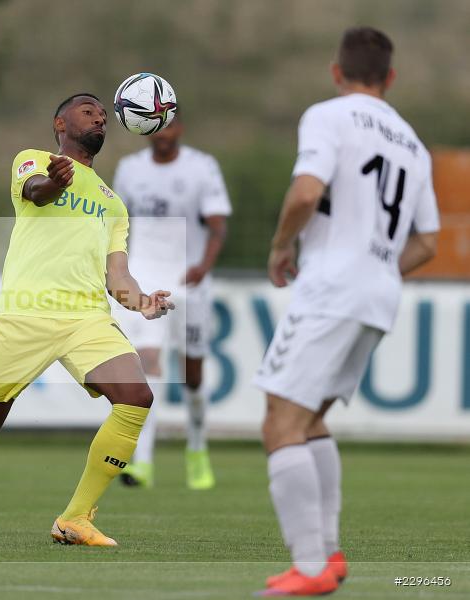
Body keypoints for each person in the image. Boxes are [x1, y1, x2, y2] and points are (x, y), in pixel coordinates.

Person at [0, 94, 173, 546]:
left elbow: (116, 274)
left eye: (103, 113)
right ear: (60, 123)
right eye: (88, 110)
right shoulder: (33, 161)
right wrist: (56, 182)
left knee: (137, 397)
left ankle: (75, 518)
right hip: (25, 316)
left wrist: (140, 301)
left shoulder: (113, 203)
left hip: (86, 318)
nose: (99, 115)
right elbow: (36, 193)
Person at [254, 28, 439, 595]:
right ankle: (327, 557)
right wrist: (376, 269)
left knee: (279, 424)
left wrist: (282, 246)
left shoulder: (329, 116)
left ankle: (310, 567)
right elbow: (427, 242)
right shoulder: (413, 143)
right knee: (309, 422)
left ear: (338, 73)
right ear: (391, 77)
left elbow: (307, 193)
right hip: (378, 294)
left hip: (332, 286)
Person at [111, 112, 231, 490]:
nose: (164, 133)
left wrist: (202, 267)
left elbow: (217, 225)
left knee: (191, 374)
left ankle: (197, 448)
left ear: (180, 128)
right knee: (147, 362)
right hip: (146, 279)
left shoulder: (202, 167)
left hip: (189, 281)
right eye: (156, 127)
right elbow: (118, 223)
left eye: (170, 125)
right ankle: (142, 461)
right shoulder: (129, 169)